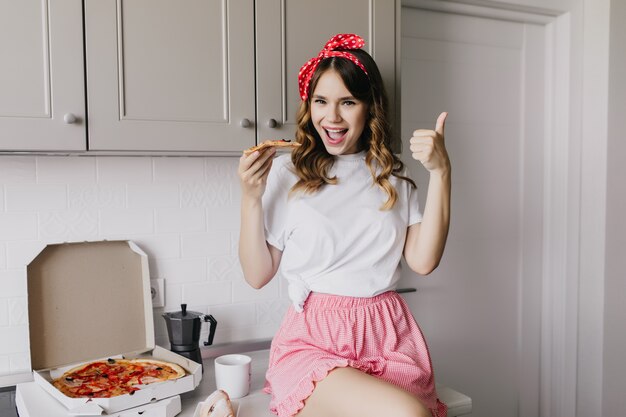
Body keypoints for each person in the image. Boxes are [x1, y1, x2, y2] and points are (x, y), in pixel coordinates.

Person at [238, 34, 450, 417]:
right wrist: (250, 197)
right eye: (321, 101)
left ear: (370, 108)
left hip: (389, 338)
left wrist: (441, 172)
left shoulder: (393, 179)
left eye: (347, 103)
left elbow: (424, 261)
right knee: (408, 414)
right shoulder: (289, 173)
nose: (331, 118)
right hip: (315, 340)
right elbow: (257, 274)